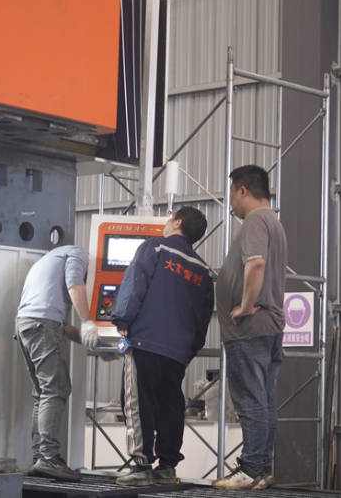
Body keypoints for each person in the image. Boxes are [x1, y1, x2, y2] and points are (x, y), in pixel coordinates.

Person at [111, 207, 215, 486]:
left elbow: (135, 282)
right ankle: (167, 466)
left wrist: (122, 319)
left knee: (138, 401)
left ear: (177, 222)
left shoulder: (155, 247)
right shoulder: (203, 269)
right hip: (179, 350)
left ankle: (141, 465)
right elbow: (204, 316)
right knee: (170, 404)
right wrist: (190, 349)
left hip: (145, 339)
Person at [212, 165, 287, 490]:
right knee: (264, 399)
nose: (231, 202)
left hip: (250, 328)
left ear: (242, 190)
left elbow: (255, 263)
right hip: (268, 326)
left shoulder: (256, 220)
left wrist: (244, 306)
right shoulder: (274, 222)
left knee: (250, 400)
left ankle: (250, 467)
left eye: (231, 194)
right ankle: (262, 467)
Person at [16, 245, 99, 482]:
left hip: (26, 325)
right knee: (55, 390)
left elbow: (62, 327)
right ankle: (49, 458)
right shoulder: (80, 253)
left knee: (43, 393)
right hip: (43, 326)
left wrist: (99, 345)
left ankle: (40, 457)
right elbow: (74, 282)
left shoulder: (52, 259)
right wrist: (87, 320)